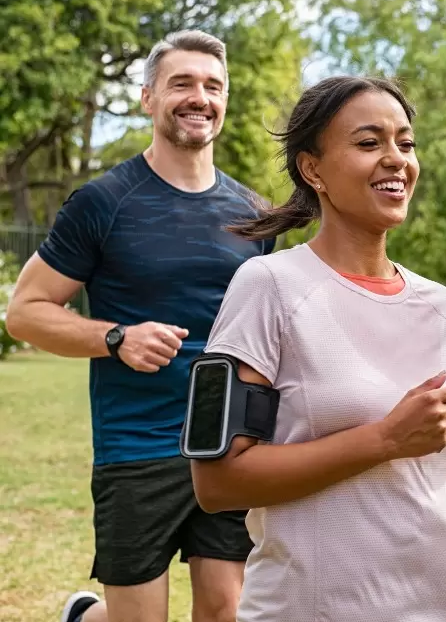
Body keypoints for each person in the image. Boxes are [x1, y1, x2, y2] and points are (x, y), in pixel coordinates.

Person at [187, 75, 446, 622]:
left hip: (445, 606)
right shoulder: (267, 285)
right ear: (312, 169)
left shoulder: (442, 307)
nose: (396, 159)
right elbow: (218, 484)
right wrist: (386, 438)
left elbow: (433, 495)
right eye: (369, 143)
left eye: (406, 144)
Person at [6, 31, 276, 622]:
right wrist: (115, 338)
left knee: (225, 610)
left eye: (213, 86)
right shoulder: (103, 203)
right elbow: (25, 311)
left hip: (228, 440)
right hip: (137, 445)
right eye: (182, 83)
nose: (199, 97)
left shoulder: (255, 215)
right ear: (149, 97)